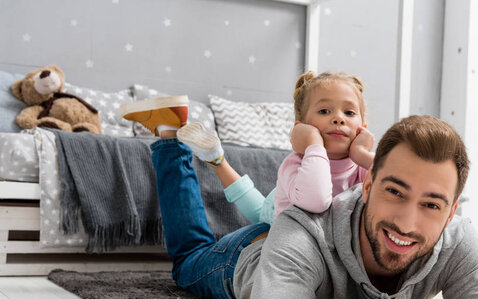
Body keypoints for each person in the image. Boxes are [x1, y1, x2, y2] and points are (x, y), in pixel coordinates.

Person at [120, 96, 478, 299]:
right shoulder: (303, 227)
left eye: (431, 205)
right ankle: (170, 141)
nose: (407, 223)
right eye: (395, 191)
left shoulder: (458, 238)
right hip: (246, 257)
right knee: (189, 258)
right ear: (368, 184)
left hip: (292, 249)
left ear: (451, 212)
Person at [120, 71, 375, 225]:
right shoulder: (295, 164)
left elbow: (400, 183)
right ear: (301, 127)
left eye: (349, 112)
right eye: (324, 110)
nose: (339, 118)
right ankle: (216, 159)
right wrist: (313, 144)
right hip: (275, 214)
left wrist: (364, 156)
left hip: (285, 213)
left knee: (255, 204)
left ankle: (215, 157)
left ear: (362, 126)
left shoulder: (363, 168)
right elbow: (317, 201)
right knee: (259, 212)